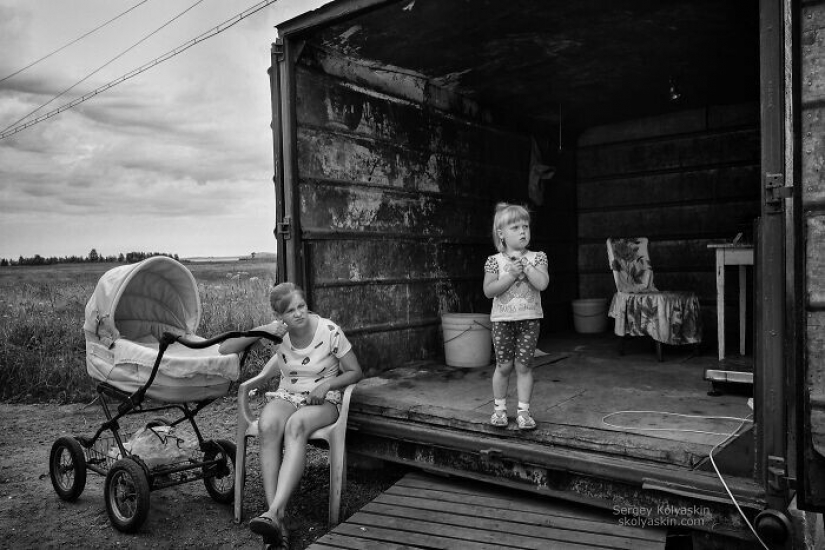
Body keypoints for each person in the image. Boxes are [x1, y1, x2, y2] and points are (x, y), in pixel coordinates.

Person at [219, 282, 363, 549]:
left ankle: (273, 513)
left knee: (296, 425)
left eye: (301, 307)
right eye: (290, 311)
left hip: (323, 400)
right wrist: (265, 330)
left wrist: (328, 385)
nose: (298, 314)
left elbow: (355, 371)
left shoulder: (329, 331)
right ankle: (278, 518)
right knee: (268, 424)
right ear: (279, 316)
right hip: (287, 394)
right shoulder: (277, 333)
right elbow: (225, 349)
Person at [482, 203, 550, 430]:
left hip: (529, 321)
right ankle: (499, 410)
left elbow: (542, 284)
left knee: (524, 367)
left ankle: (523, 412)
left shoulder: (538, 257)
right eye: (515, 227)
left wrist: (528, 268)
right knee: (503, 366)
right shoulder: (494, 261)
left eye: (525, 226)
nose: (523, 231)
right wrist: (511, 275)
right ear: (501, 234)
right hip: (502, 322)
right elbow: (489, 290)